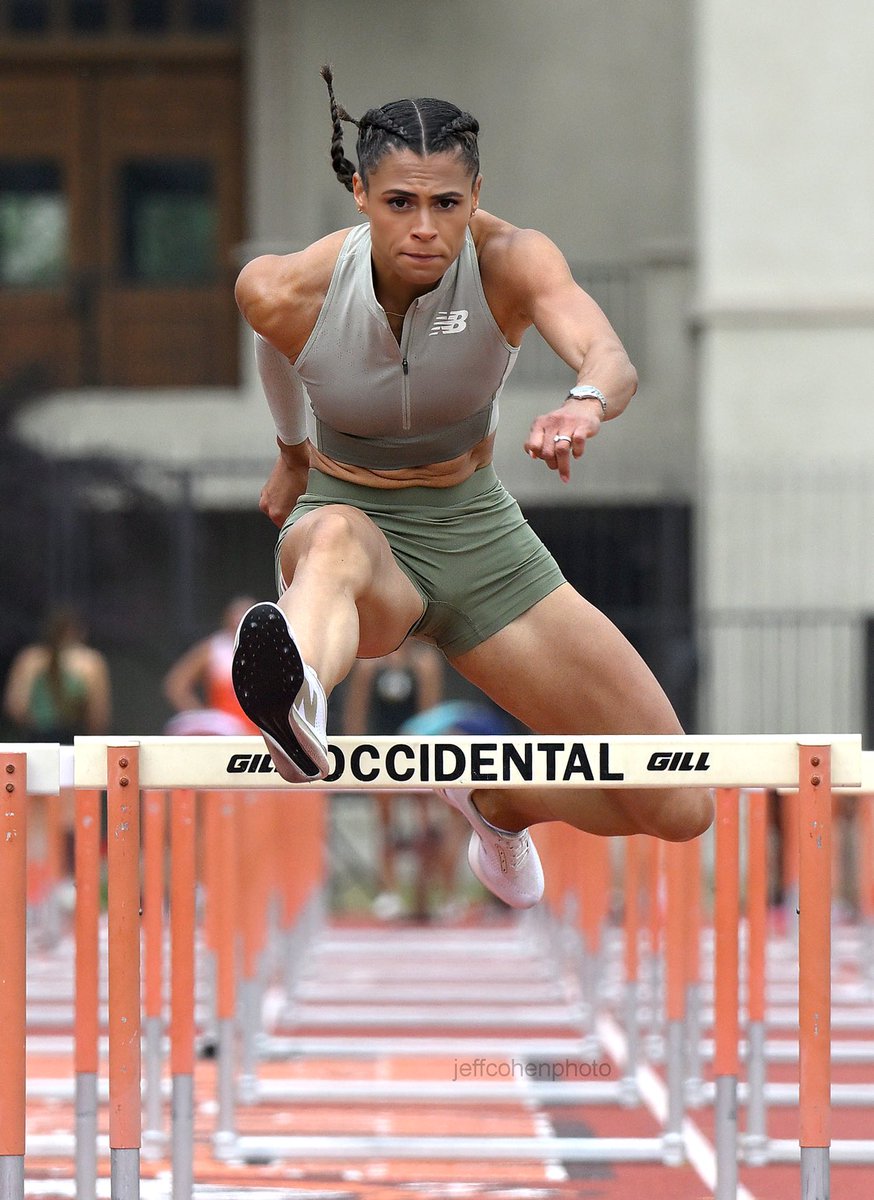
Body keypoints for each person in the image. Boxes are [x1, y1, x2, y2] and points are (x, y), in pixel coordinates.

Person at [230, 66, 714, 910]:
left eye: (446, 205)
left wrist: (583, 404)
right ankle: (296, 695)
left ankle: (500, 804)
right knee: (334, 544)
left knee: (678, 800)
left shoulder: (510, 260)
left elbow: (610, 358)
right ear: (360, 194)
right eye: (400, 204)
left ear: (475, 194)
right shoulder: (286, 286)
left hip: (481, 538)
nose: (426, 229)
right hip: (358, 526)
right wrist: (292, 451)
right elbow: (274, 336)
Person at [342, 641, 451, 919]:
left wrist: (430, 755)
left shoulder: (423, 663)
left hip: (415, 751)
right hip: (381, 752)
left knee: (427, 824)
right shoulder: (369, 664)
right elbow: (356, 711)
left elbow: (430, 713)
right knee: (386, 825)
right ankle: (389, 891)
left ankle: (426, 893)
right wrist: (354, 756)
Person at [3, 606, 111, 742]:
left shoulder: (30, 660)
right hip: (70, 739)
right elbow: (98, 718)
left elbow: (16, 708)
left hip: (38, 739)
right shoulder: (91, 663)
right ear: (80, 632)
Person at [163, 596, 261, 736]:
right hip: (225, 727)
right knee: (179, 726)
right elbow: (176, 685)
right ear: (226, 619)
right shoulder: (214, 649)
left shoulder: (269, 649)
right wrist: (201, 716)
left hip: (260, 729)